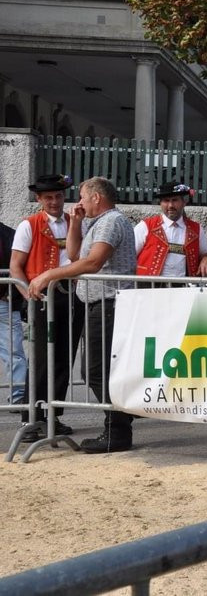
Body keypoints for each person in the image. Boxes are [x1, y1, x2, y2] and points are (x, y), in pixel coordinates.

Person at [28, 177, 136, 454]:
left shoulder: (111, 221)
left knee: (97, 370)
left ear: (97, 198)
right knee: (97, 369)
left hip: (110, 303)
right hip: (97, 303)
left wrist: (49, 274)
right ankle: (117, 426)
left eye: (83, 197)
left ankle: (118, 430)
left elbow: (93, 262)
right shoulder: (95, 222)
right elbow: (76, 255)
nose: (80, 202)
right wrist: (76, 223)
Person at [9, 174, 84, 441]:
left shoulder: (73, 222)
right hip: (42, 298)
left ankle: (52, 415)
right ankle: (31, 418)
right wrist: (27, 295)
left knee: (65, 356)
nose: (54, 201)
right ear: (39, 200)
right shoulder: (28, 225)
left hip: (71, 295)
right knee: (41, 359)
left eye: (59, 196)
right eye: (49, 197)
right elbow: (16, 265)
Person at [134, 180, 207, 280]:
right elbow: (129, 254)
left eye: (175, 200)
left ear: (184, 202)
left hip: (182, 289)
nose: (170, 205)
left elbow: (205, 252)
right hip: (150, 288)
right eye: (166, 201)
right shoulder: (145, 226)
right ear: (160, 203)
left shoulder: (196, 229)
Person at [1, 220, 27, 412]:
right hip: (5, 300)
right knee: (13, 352)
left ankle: (19, 397)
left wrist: (13, 295)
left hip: (4, 302)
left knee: (13, 352)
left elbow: (19, 267)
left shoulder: (10, 235)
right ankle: (18, 396)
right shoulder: (10, 234)